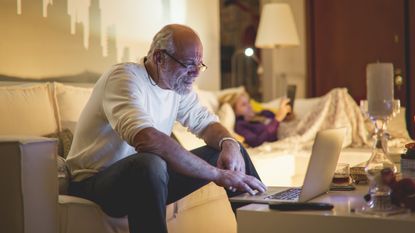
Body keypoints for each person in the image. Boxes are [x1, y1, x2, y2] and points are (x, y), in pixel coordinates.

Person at [66, 24, 266, 233]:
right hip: (95, 183)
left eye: (200, 64)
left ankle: (263, 229)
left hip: (150, 178)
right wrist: (216, 174)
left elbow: (206, 123)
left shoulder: (175, 86)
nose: (196, 73)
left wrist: (229, 143)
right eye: (188, 64)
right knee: (149, 162)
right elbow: (146, 139)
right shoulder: (124, 78)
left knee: (233, 151)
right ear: (159, 57)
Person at [220, 91, 292, 147]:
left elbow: (284, 121)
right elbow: (256, 142)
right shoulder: (241, 126)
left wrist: (287, 114)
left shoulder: (263, 113)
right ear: (234, 111)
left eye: (248, 102)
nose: (249, 106)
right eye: (244, 105)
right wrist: (278, 118)